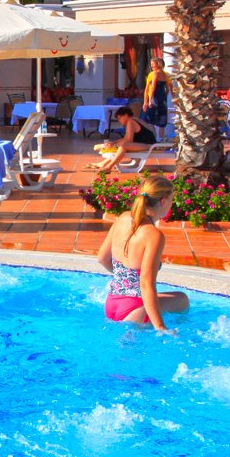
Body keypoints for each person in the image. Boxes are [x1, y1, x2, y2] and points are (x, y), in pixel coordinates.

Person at [97, 174, 189, 330]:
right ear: (163, 201)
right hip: (135, 310)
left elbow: (102, 258)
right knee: (182, 300)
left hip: (111, 305)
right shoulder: (154, 235)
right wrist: (161, 327)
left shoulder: (123, 217)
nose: (171, 205)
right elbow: (146, 285)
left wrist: (127, 282)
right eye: (171, 200)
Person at [88, 106, 158, 173]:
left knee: (123, 145)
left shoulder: (131, 122)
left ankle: (109, 167)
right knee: (121, 145)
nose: (119, 120)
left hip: (149, 145)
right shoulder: (131, 121)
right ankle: (103, 163)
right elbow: (126, 138)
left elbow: (129, 140)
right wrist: (114, 143)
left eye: (119, 118)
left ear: (126, 115)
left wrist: (115, 144)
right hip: (144, 144)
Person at [142, 57, 170, 130]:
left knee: (150, 117)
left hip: (155, 96)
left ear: (158, 64)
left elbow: (152, 88)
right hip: (163, 97)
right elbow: (167, 89)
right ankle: (161, 135)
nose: (151, 66)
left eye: (153, 64)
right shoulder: (165, 74)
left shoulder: (155, 74)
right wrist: (164, 96)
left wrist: (150, 100)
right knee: (162, 117)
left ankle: (153, 134)